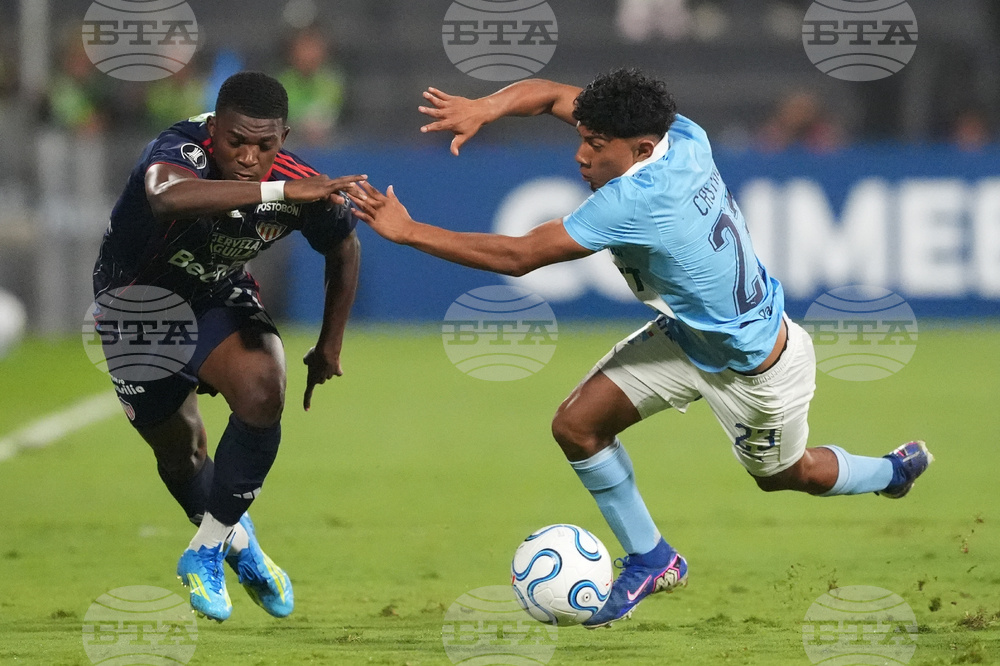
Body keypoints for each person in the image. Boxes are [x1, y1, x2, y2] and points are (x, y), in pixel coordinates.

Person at [347, 69, 933, 628]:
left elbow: (520, 256)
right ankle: (653, 558)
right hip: (687, 339)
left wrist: (408, 231)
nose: (581, 155)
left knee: (787, 475)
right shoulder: (684, 134)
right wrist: (486, 106)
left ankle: (889, 471)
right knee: (577, 428)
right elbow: (553, 94)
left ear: (641, 149)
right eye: (582, 138)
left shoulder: (638, 201)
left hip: (758, 369)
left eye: (596, 145)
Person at [92, 71, 366, 622]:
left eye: (264, 146)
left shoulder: (299, 183)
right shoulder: (181, 149)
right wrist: (278, 190)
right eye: (236, 141)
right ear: (214, 128)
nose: (247, 156)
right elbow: (167, 198)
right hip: (137, 304)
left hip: (214, 289)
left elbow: (345, 248)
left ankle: (206, 549)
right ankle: (242, 546)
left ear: (283, 138)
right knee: (180, 449)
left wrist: (329, 344)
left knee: (265, 387)